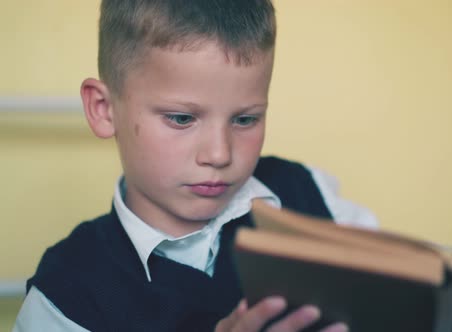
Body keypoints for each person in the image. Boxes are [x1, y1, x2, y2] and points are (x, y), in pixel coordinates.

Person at [14, 1, 377, 331]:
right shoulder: (65, 296)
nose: (219, 155)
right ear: (104, 110)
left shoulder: (311, 196)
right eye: (182, 119)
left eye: (246, 120)